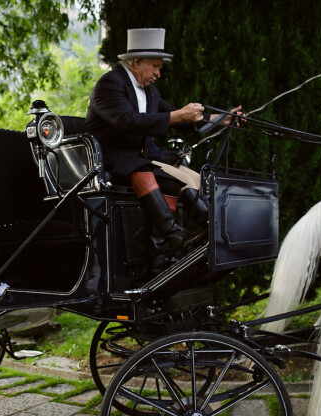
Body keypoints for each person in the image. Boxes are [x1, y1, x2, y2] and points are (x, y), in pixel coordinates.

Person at [85, 28, 242, 273]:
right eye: (156, 66)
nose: (159, 73)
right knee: (141, 168)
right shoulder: (109, 84)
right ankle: (174, 233)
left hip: (139, 156)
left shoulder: (150, 90)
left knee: (175, 177)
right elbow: (126, 121)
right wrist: (177, 115)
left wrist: (221, 119)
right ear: (137, 62)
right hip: (108, 155)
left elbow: (175, 116)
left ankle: (170, 246)